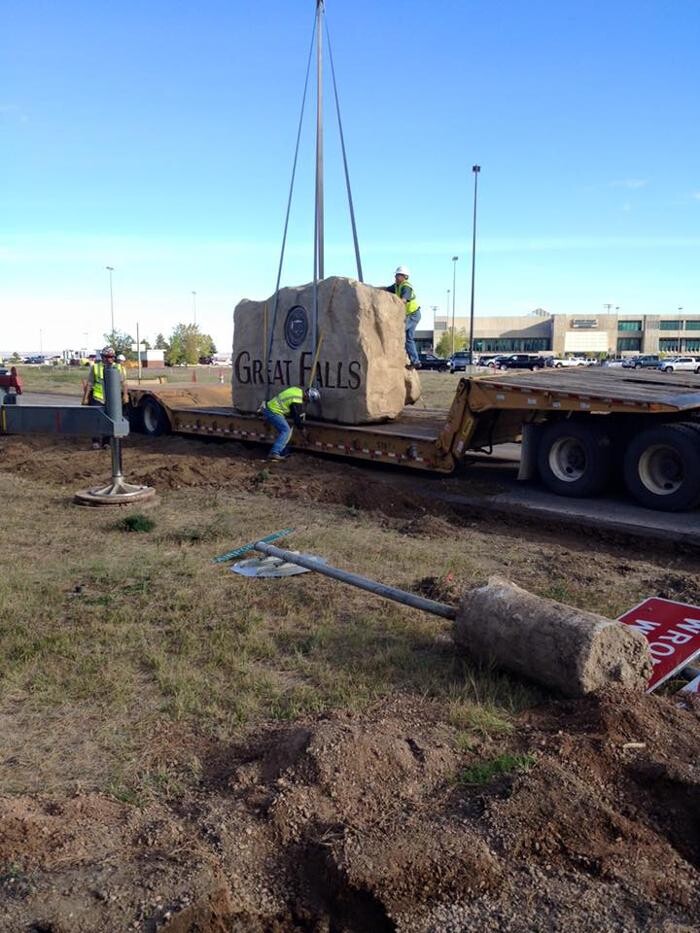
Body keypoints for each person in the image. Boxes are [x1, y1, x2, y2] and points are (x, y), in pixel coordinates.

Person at [82, 346, 128, 449]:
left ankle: (106, 443)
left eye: (111, 357)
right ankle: (96, 442)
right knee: (96, 420)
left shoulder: (118, 368)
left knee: (109, 421)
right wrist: (85, 398)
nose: (109, 359)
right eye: (107, 357)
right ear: (102, 357)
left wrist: (125, 395)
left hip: (111, 400)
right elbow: (90, 384)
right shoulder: (96, 367)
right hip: (98, 398)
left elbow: (124, 383)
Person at [263, 386, 321, 461]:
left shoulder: (296, 390)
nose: (307, 402)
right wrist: (302, 429)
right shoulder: (296, 399)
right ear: (309, 397)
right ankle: (274, 453)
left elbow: (290, 406)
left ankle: (282, 452)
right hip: (273, 411)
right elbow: (295, 416)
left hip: (271, 407)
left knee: (285, 432)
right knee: (286, 430)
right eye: (308, 401)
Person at [386, 265, 421, 368]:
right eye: (396, 275)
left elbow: (404, 300)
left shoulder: (406, 287)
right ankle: (416, 362)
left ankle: (398, 356)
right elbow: (386, 289)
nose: (396, 277)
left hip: (413, 315)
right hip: (411, 315)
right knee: (408, 339)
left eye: (398, 275)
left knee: (397, 331)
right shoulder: (397, 286)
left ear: (404, 276)